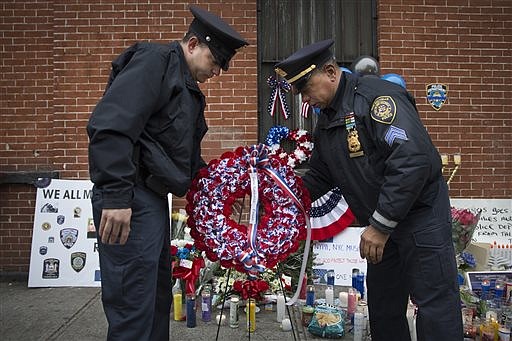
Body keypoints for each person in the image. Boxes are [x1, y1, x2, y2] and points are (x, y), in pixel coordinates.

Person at [275, 39, 462, 340]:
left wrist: (380, 225)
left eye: (307, 88)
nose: (305, 99)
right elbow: (322, 173)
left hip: (417, 220)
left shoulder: (378, 99)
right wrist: (282, 194)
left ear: (331, 72)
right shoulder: (328, 119)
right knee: (384, 308)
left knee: (434, 307)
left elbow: (411, 161)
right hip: (382, 229)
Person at [87, 5, 248, 341]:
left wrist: (218, 196)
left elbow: (184, 161)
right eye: (215, 60)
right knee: (134, 305)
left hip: (151, 200)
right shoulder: (154, 62)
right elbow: (111, 127)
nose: (217, 71)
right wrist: (116, 196)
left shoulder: (186, 86)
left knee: (155, 299)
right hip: (128, 196)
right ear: (192, 45)